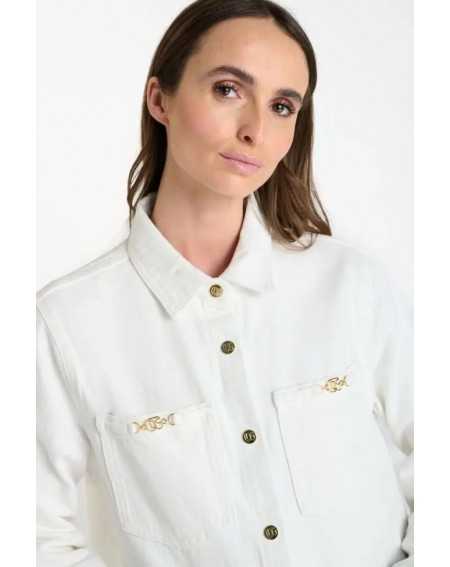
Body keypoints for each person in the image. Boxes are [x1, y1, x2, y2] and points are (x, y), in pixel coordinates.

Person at [36, 1, 413, 565]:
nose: (255, 130)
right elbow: (35, 535)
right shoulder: (67, 322)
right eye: (228, 90)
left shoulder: (353, 285)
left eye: (282, 106)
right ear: (160, 99)